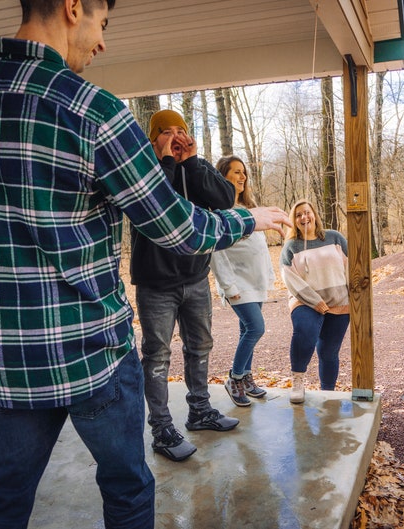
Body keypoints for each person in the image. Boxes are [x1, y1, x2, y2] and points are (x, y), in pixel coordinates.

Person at [0, 1, 289, 527]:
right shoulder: (91, 110)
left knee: (0, 498)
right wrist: (252, 218)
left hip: (2, 361)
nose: (102, 43)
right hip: (92, 356)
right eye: (101, 24)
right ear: (72, 7)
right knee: (127, 486)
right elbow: (179, 228)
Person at [131, 109, 241, 462]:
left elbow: (225, 199)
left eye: (181, 130)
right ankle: (162, 429)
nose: (176, 137)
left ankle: (200, 411)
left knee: (200, 347)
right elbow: (155, 203)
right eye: (167, 132)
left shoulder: (198, 164)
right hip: (156, 282)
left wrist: (191, 162)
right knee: (157, 356)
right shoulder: (143, 167)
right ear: (154, 138)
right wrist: (165, 160)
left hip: (195, 278)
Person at [210, 155, 275, 406]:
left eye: (243, 172)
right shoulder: (219, 212)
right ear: (222, 176)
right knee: (256, 328)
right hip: (237, 284)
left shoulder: (248, 208)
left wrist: (268, 278)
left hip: (255, 281)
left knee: (245, 330)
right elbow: (217, 253)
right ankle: (234, 378)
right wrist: (229, 287)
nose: (242, 176)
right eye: (236, 172)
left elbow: (260, 248)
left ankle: (246, 376)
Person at [280, 199, 349, 404]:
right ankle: (298, 382)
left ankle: (327, 393)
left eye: (307, 212)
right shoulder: (291, 246)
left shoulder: (334, 238)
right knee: (305, 333)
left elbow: (351, 265)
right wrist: (314, 301)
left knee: (328, 352)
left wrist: (353, 296)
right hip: (305, 301)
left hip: (339, 302)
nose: (304, 217)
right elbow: (288, 277)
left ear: (314, 214)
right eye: (298, 215)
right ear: (294, 220)